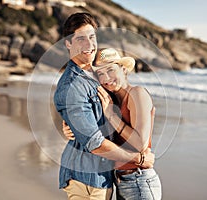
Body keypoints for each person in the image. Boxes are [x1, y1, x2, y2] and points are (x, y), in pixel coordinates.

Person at [54, 13, 155, 200]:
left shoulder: (96, 76)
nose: (89, 45)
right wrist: (138, 159)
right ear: (68, 43)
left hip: (108, 177)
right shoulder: (71, 85)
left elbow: (95, 117)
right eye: (81, 39)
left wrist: (72, 125)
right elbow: (95, 143)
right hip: (87, 179)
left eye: (92, 37)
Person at [63, 48, 162, 199]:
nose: (106, 78)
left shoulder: (137, 94)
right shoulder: (109, 101)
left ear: (123, 69)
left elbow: (140, 143)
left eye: (110, 69)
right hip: (120, 181)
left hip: (140, 180)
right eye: (100, 74)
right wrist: (68, 127)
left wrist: (111, 115)